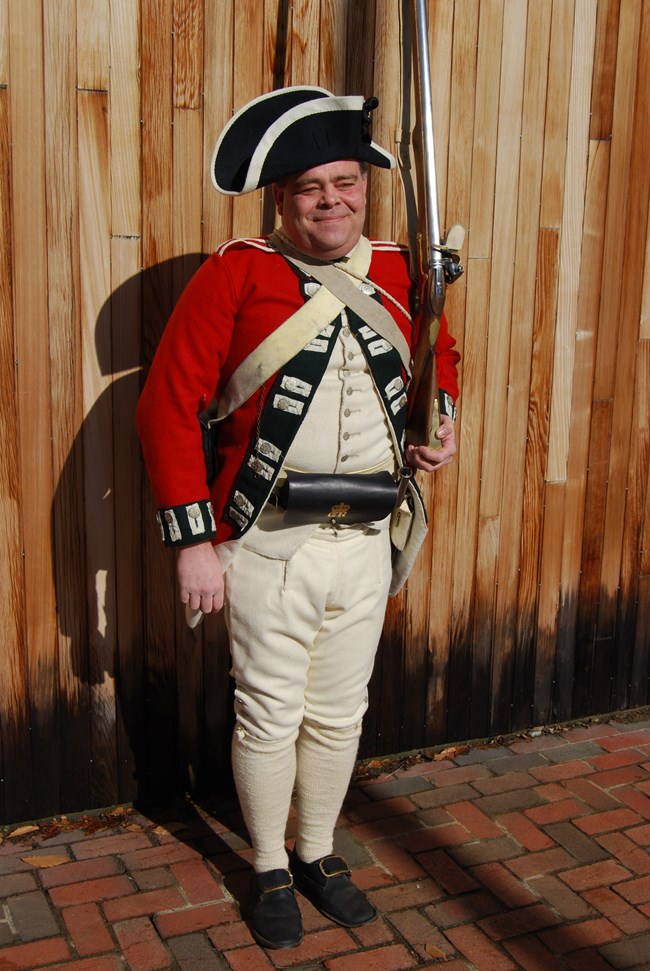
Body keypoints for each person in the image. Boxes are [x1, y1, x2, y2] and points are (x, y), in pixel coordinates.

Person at [136, 86, 459, 950]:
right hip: (268, 542)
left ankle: (316, 851)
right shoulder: (236, 271)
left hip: (365, 541)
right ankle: (269, 865)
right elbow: (168, 409)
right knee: (270, 712)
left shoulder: (401, 270)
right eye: (313, 186)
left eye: (346, 182)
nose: (333, 201)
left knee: (340, 711)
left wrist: (439, 425)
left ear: (365, 186)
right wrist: (193, 542)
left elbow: (439, 354)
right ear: (282, 197)